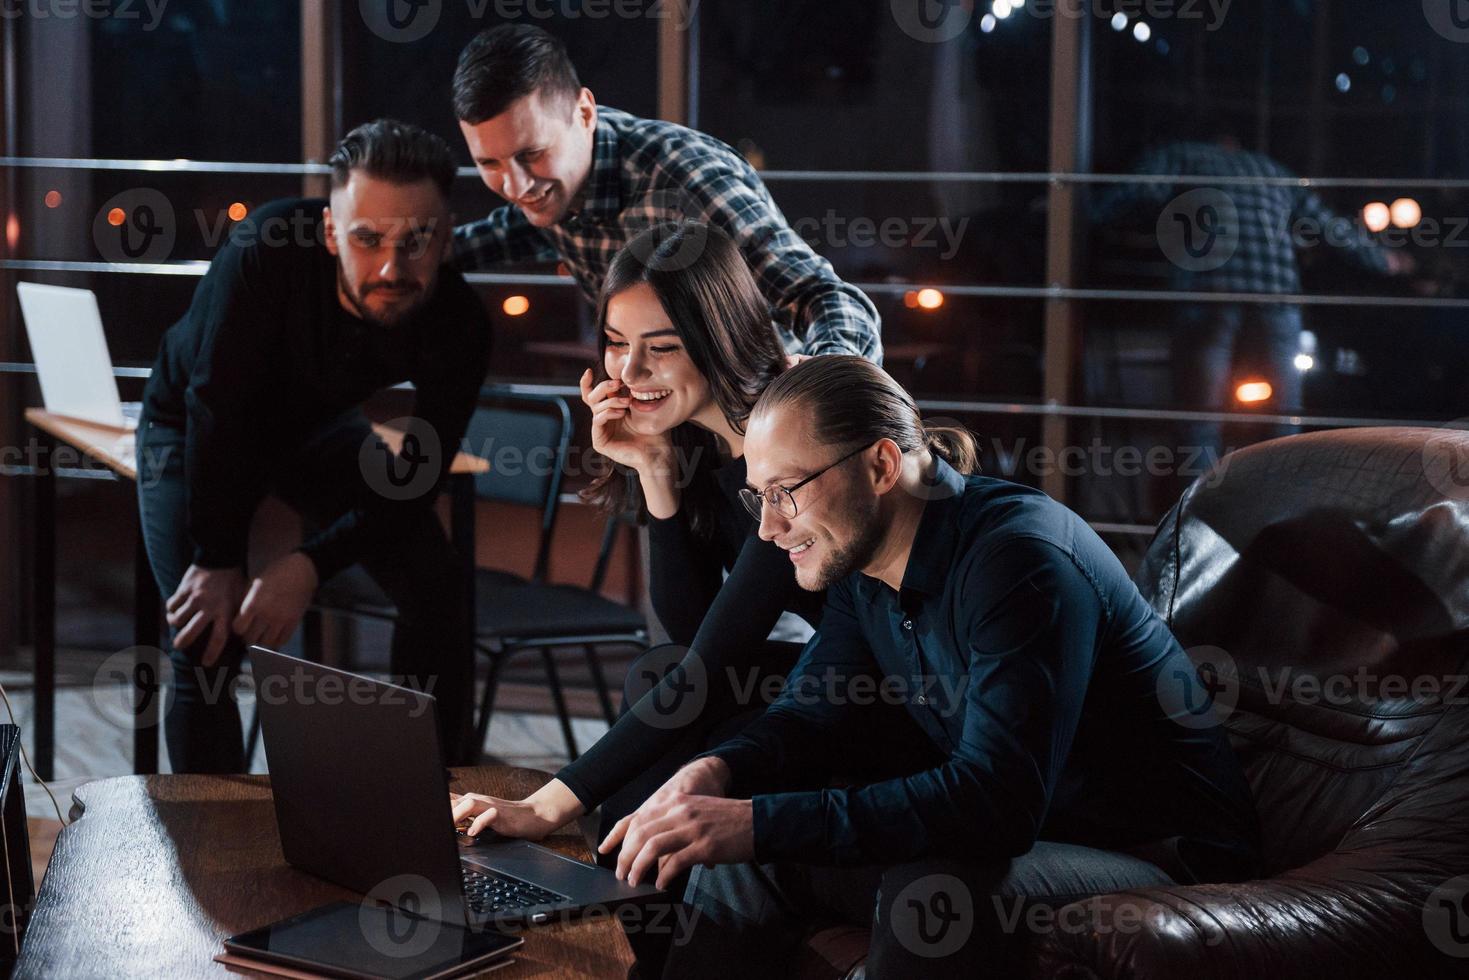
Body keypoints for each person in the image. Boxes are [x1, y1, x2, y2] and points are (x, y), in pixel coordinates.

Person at [599, 356, 1262, 978]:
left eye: (785, 491)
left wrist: (756, 821)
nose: (768, 529)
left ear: (882, 465)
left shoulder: (1020, 562)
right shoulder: (865, 559)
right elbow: (811, 716)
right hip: (1046, 838)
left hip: (1162, 858)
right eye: (757, 497)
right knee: (738, 854)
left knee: (930, 892)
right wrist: (717, 773)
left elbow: (996, 803)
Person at [451, 222, 900, 854]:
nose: (630, 371)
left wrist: (547, 802)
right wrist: (655, 470)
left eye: (660, 348)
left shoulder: (786, 446)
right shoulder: (700, 439)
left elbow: (706, 662)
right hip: (827, 678)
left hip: (893, 692)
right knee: (656, 679)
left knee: (689, 708)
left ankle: (608, 889)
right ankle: (608, 887)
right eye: (614, 343)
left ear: (720, 340)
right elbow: (691, 635)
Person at [138, 120, 492, 772]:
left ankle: (432, 808)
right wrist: (218, 559)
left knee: (435, 585)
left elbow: (416, 481)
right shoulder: (264, 250)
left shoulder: (460, 322)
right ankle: (208, 853)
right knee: (204, 634)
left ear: (445, 238)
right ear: (331, 232)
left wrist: (308, 564)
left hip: (316, 432)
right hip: (189, 425)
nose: (393, 267)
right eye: (367, 239)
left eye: (417, 241)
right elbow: (218, 410)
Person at [450, 23, 881, 362]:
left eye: (533, 153)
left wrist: (820, 392)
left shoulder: (687, 181)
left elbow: (824, 296)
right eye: (489, 163)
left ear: (584, 113)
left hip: (766, 426)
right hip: (667, 427)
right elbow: (500, 235)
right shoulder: (552, 193)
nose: (515, 186)